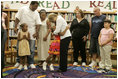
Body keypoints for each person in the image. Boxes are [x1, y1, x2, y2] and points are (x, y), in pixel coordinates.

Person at [14, 1, 42, 68]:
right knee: (19, 48)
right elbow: (17, 18)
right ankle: (18, 62)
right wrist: (15, 27)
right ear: (30, 5)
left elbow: (38, 24)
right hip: (21, 32)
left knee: (31, 49)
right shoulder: (23, 9)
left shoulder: (36, 13)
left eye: (37, 7)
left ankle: (31, 62)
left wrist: (36, 32)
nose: (36, 8)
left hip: (31, 33)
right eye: (35, 6)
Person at [1, 1, 8, 77]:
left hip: (3, 32)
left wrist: (5, 29)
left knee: (2, 50)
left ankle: (2, 66)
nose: (1, 8)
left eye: (2, 7)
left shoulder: (4, 14)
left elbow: (6, 22)